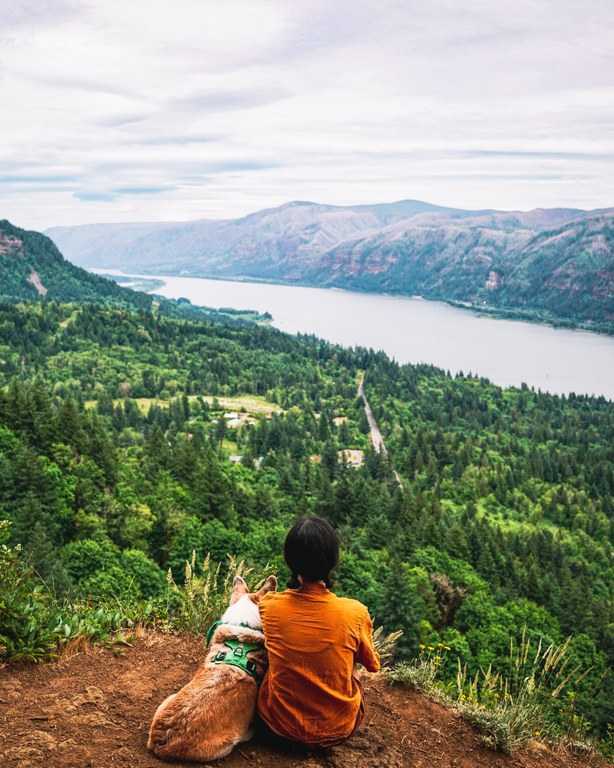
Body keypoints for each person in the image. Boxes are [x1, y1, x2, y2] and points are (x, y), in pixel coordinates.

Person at [257, 515, 380, 748]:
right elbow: (373, 665)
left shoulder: (269, 606)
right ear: (333, 560)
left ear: (289, 560)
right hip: (338, 728)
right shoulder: (354, 612)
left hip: (278, 725)